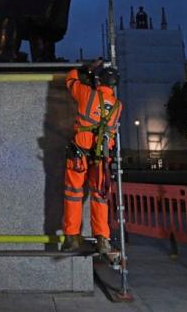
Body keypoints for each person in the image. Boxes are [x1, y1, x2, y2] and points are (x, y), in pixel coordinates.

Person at [62, 60, 122, 254]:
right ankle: (102, 238)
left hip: (79, 152)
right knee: (99, 196)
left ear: (98, 81)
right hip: (102, 157)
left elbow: (70, 79)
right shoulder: (118, 106)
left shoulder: (87, 94)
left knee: (73, 193)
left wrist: (84, 68)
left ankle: (71, 237)